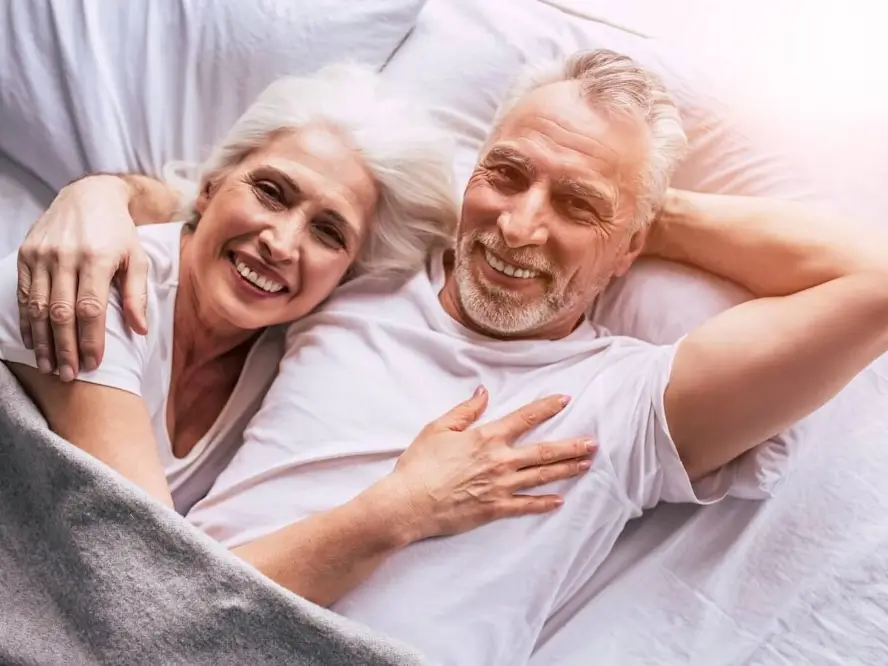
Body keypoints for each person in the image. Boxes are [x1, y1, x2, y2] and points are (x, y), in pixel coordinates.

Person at [18, 49, 888, 665]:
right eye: (507, 173)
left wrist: (647, 208)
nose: (517, 225)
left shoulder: (628, 401)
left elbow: (874, 285)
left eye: (574, 205)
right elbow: (237, 213)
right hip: (152, 624)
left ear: (630, 250)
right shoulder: (355, 273)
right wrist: (100, 194)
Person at [1, 63, 597, 609]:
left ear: (348, 272)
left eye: (329, 232)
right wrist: (405, 508)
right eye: (270, 192)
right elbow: (153, 579)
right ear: (210, 186)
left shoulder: (287, 347)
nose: (281, 243)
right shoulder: (87, 283)